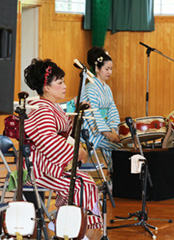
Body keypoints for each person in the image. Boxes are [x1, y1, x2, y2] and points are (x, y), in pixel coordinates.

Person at [23, 58, 102, 232]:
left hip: (50, 164)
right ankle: (71, 228)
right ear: (47, 87)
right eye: (60, 82)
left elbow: (64, 132)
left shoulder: (51, 106)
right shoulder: (42, 108)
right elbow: (47, 140)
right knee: (80, 185)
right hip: (39, 167)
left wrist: (77, 116)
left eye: (63, 81)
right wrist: (75, 152)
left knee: (84, 182)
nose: (64, 86)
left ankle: (68, 226)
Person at [80, 47, 122, 176]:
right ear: (97, 69)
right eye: (107, 69)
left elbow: (112, 109)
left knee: (120, 147)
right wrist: (107, 133)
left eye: (111, 69)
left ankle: (113, 175)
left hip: (104, 129)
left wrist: (114, 129)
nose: (109, 72)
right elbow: (93, 113)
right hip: (92, 129)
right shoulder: (90, 88)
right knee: (117, 147)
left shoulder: (107, 88)